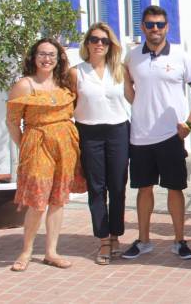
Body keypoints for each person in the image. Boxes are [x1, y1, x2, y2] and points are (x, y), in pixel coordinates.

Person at [122, 5, 191, 260]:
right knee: (143, 189)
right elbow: (130, 93)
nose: (155, 29)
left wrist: (190, 124)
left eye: (160, 24)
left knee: (174, 189)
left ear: (167, 27)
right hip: (140, 136)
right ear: (143, 27)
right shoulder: (132, 57)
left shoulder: (181, 56)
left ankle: (180, 240)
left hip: (171, 136)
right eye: (150, 24)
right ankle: (144, 240)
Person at [5, 38, 86, 271]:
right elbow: (12, 122)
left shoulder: (65, 84)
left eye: (51, 54)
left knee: (58, 199)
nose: (47, 59)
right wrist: (25, 146)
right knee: (38, 201)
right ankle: (26, 251)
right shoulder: (24, 85)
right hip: (37, 142)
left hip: (66, 144)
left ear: (59, 58)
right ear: (34, 57)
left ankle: (51, 251)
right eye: (42, 54)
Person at [69, 23, 130, 265]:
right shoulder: (76, 73)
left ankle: (116, 234)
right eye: (94, 39)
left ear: (111, 45)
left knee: (117, 186)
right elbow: (67, 104)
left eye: (104, 41)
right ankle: (103, 239)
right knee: (96, 187)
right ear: (86, 44)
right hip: (89, 132)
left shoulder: (120, 70)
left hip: (118, 130)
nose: (99, 44)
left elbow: (134, 97)